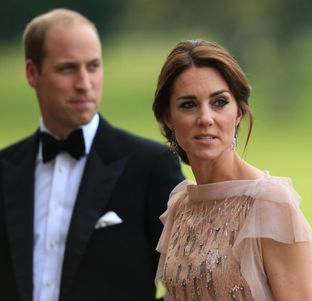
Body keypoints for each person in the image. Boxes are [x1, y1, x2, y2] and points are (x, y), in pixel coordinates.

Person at [0, 8, 184, 301]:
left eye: (94, 66)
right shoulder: (5, 169)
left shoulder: (150, 166)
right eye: (68, 68)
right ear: (32, 73)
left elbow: (192, 280)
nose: (84, 83)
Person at [152, 40, 312, 301]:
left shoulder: (270, 201)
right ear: (168, 118)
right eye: (188, 104)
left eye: (219, 102)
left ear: (239, 112)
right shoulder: (180, 204)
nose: (206, 118)